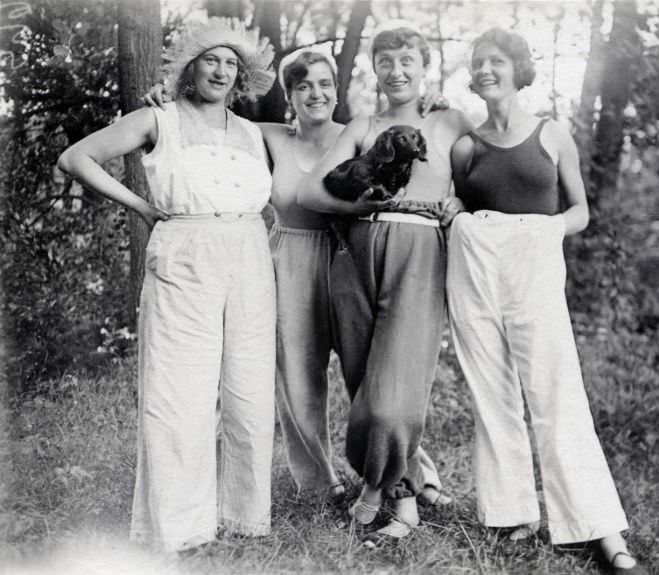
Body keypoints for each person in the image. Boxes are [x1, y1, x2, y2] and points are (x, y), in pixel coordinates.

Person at [143, 46, 451, 503]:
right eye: (303, 85)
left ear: (337, 91)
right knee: (298, 378)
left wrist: (435, 109)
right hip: (290, 260)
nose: (315, 93)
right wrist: (168, 100)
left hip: (350, 258)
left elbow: (420, 153)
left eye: (325, 84)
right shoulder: (263, 135)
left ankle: (409, 476)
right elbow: (204, 123)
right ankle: (321, 483)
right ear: (288, 94)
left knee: (377, 372)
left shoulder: (363, 135)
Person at [58, 18, 277, 553]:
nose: (222, 71)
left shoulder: (253, 132)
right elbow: (76, 157)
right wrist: (141, 207)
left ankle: (244, 517)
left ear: (242, 75)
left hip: (248, 255)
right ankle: (180, 525)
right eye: (211, 60)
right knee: (180, 390)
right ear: (190, 68)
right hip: (185, 253)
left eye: (231, 64)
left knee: (249, 390)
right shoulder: (160, 120)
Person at [447, 28, 647, 574]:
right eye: (479, 62)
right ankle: (514, 513)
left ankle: (600, 528)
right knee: (493, 391)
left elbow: (579, 211)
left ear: (517, 68)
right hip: (477, 264)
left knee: (556, 391)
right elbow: (456, 206)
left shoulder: (552, 134)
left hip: (535, 262)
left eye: (497, 61)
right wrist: (456, 213)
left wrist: (543, 231)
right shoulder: (466, 145)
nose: (486, 69)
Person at [299, 20, 472, 543]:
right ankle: (406, 484)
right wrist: (357, 203)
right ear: (374, 69)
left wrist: (460, 201)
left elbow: (488, 177)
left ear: (424, 69)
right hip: (353, 254)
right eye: (386, 62)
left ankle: (387, 497)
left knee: (393, 394)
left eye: (407, 63)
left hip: (420, 255)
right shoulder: (361, 125)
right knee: (362, 383)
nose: (396, 72)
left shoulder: (452, 121)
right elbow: (310, 192)